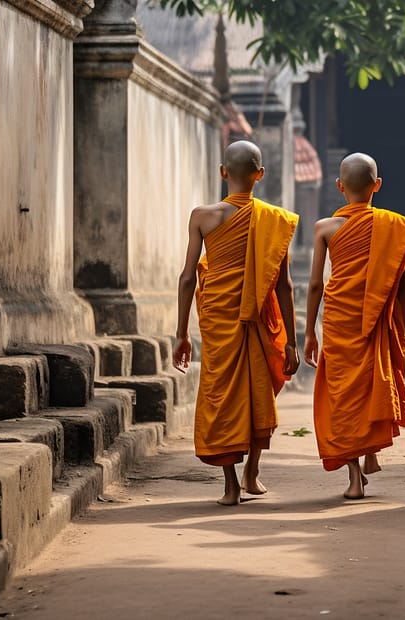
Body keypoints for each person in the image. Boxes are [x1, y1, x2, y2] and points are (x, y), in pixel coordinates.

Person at [173, 140, 300, 506]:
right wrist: (291, 341)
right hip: (258, 316)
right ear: (260, 175)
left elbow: (186, 278)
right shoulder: (275, 220)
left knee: (223, 393)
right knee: (257, 390)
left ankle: (231, 486)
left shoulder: (202, 216)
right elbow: (284, 284)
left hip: (218, 317)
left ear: (222, 172)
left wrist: (182, 334)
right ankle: (253, 473)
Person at [304, 153, 405, 499]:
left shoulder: (324, 228)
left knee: (344, 395)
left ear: (339, 187)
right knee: (372, 383)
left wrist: (309, 330)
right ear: (377, 186)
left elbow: (314, 285)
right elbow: (404, 285)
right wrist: (403, 328)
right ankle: (370, 452)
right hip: (377, 318)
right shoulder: (393, 227)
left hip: (340, 319)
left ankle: (354, 477)